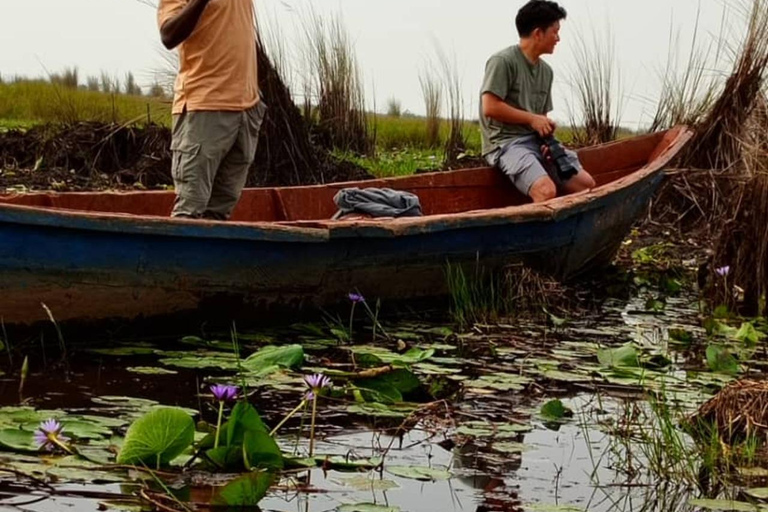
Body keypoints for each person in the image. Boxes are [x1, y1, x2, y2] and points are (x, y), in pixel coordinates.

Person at [157, 0, 267, 220]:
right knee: (190, 208)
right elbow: (168, 35)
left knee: (219, 212)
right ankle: (177, 255)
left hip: (246, 110)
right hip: (203, 109)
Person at [479, 0, 596, 203]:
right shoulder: (503, 61)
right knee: (545, 191)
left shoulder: (546, 72)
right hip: (505, 144)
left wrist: (545, 137)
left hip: (535, 143)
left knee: (586, 186)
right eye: (555, 31)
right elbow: (490, 107)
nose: (558, 38)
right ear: (538, 33)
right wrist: (533, 120)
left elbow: (540, 118)